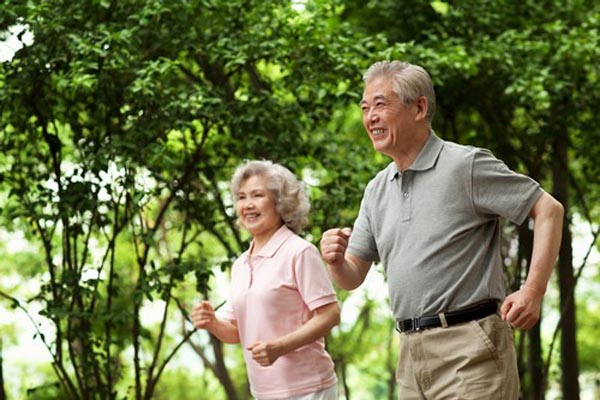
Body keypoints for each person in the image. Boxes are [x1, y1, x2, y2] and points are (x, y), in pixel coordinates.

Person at [319, 60, 564, 399]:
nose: (370, 117)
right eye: (364, 108)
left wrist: (533, 291)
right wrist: (333, 260)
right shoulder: (376, 190)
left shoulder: (465, 165)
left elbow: (549, 209)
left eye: (380, 104)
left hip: (471, 349)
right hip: (409, 354)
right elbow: (351, 277)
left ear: (419, 107)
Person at [191, 160, 340, 400]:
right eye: (241, 197)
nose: (247, 205)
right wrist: (212, 323)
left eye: (257, 195)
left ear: (280, 202)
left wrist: (280, 347)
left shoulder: (299, 251)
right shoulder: (240, 265)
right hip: (264, 392)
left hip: (309, 389)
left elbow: (330, 314)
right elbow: (236, 331)